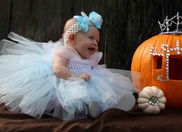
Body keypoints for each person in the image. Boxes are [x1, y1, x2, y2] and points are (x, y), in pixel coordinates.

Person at [0, 11, 136, 121]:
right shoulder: (64, 52)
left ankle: (114, 103)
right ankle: (92, 108)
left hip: (85, 81)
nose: (95, 43)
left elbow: (96, 72)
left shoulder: (89, 57)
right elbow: (58, 70)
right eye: (91, 38)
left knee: (104, 87)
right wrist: (76, 78)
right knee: (64, 98)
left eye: (97, 40)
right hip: (62, 83)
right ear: (72, 39)